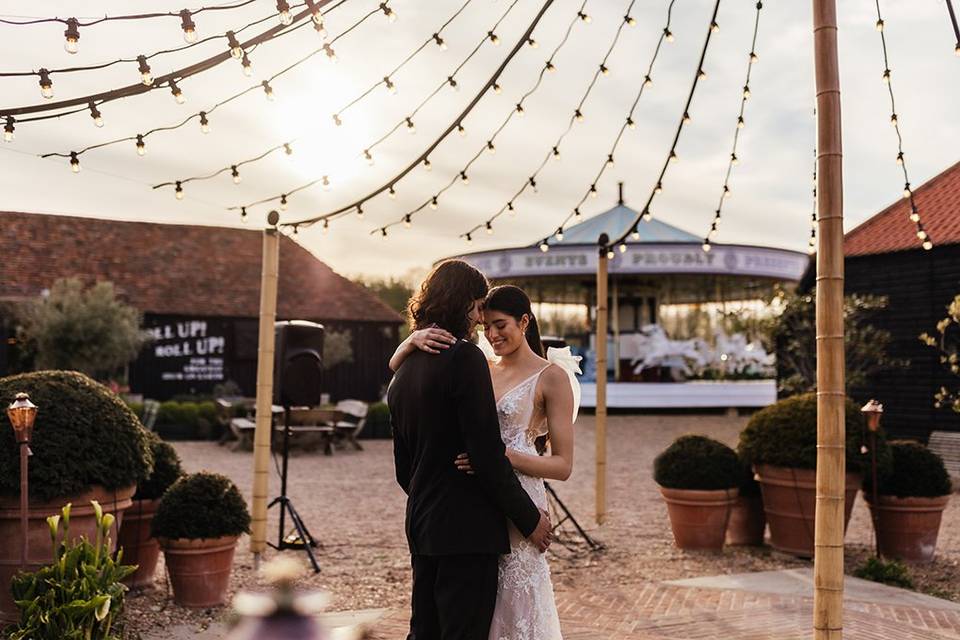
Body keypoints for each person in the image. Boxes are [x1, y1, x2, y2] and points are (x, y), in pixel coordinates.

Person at [391, 283, 580, 640]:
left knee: (514, 606)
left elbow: (563, 466)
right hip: (474, 500)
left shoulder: (552, 377)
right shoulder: (479, 366)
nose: (491, 334)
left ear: (524, 322)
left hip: (518, 493)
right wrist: (408, 343)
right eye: (486, 324)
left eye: (501, 325)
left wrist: (501, 455)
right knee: (471, 612)